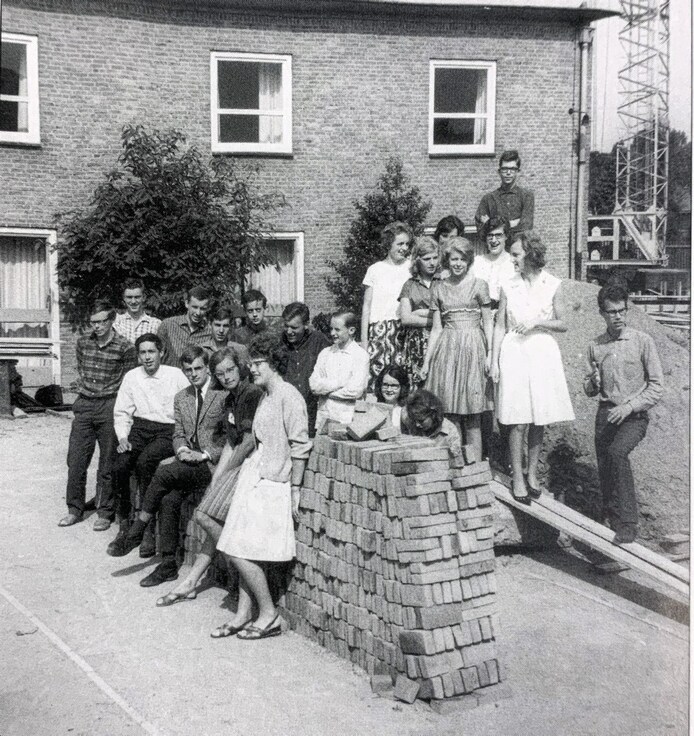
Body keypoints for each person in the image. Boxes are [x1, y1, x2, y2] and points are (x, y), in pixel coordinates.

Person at [212, 333, 311, 640]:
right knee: (242, 548)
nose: (252, 369)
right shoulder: (267, 394)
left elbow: (300, 445)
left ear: (274, 363)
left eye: (258, 363)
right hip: (255, 477)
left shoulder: (289, 396)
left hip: (272, 483)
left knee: (238, 550)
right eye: (251, 363)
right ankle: (243, 615)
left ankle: (269, 614)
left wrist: (295, 489)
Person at [106, 346, 227, 588]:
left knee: (163, 471)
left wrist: (204, 454)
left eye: (198, 368)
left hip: (214, 464)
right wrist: (181, 451)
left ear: (208, 369)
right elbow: (178, 433)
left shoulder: (223, 395)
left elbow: (229, 438)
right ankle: (169, 564)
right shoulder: (182, 397)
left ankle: (137, 529)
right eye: (188, 370)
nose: (193, 374)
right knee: (169, 499)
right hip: (189, 462)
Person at [156, 346, 263, 605]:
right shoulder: (230, 398)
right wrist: (217, 479)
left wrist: (227, 474)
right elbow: (230, 443)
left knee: (204, 515)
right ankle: (191, 582)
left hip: (254, 466)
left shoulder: (251, 394)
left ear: (240, 368)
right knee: (213, 518)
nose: (226, 377)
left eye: (230, 370)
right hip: (237, 464)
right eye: (220, 373)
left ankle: (239, 570)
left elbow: (248, 442)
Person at [490, 232, 574, 503]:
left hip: (541, 353)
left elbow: (563, 323)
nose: (512, 259)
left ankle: (532, 474)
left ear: (531, 254)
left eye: (516, 254)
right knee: (517, 419)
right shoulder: (507, 284)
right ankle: (517, 476)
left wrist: (537, 322)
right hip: (514, 352)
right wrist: (494, 360)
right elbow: (500, 325)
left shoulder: (553, 284)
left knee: (539, 417)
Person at [584, 282, 663, 545]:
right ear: (602, 313)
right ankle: (611, 521)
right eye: (612, 312)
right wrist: (592, 383)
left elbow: (656, 387)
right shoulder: (595, 346)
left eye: (622, 310)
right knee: (606, 466)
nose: (618, 316)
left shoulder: (643, 341)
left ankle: (628, 524)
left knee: (618, 453)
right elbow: (589, 390)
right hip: (606, 415)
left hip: (634, 416)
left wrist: (629, 407)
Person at [59, 301, 138, 530]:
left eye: (102, 321)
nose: (97, 326)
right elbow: (81, 370)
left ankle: (105, 511)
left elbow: (127, 382)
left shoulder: (125, 347)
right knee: (76, 461)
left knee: (107, 464)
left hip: (109, 405)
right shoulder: (83, 342)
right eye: (94, 322)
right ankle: (74, 509)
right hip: (85, 404)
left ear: (112, 320)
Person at [110, 333, 189, 556]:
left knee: (146, 463)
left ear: (161, 352)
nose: (147, 357)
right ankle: (124, 523)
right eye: (143, 352)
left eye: (151, 352)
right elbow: (122, 411)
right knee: (120, 465)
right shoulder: (132, 377)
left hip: (167, 430)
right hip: (139, 429)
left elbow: (188, 404)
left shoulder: (175, 375)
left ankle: (147, 530)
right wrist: (123, 438)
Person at [421, 238, 492, 462]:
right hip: (448, 350)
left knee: (473, 414)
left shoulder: (479, 285)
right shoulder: (439, 287)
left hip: (473, 348)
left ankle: (475, 467)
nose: (458, 264)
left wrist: (491, 354)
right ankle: (456, 464)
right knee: (450, 413)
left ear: (469, 260)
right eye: (454, 259)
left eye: (462, 259)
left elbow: (488, 322)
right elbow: (436, 329)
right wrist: (426, 362)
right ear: (447, 261)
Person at [360, 221, 412, 391]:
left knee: (400, 381)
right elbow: (366, 307)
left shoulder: (411, 268)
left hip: (402, 331)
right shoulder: (375, 270)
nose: (404, 248)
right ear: (389, 244)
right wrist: (364, 342)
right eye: (400, 244)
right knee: (377, 381)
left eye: (407, 244)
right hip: (379, 332)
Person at [309, 311, 370, 430]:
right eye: (331, 329)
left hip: (347, 419)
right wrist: (340, 383)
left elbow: (355, 391)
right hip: (324, 418)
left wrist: (325, 392)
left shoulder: (361, 356)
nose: (332, 333)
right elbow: (314, 385)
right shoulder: (325, 353)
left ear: (351, 330)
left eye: (337, 329)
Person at [280, 301, 331, 436]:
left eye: (294, 327)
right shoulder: (279, 342)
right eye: (286, 326)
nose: (289, 331)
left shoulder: (319, 341)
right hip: (287, 411)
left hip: (312, 410)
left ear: (306, 325)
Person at [398, 236, 441, 390]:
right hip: (415, 344)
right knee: (416, 389)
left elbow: (448, 315)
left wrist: (419, 312)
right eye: (427, 259)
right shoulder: (409, 285)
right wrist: (434, 319)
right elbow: (406, 318)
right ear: (417, 260)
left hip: (439, 340)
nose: (432, 263)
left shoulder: (444, 282)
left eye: (435, 258)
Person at [475, 150, 534, 238]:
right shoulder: (488, 199)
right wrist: (514, 223)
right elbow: (481, 231)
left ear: (518, 172)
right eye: (504, 169)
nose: (508, 173)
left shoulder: (526, 196)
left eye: (512, 169)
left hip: (518, 245)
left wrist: (492, 223)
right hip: (495, 245)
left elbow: (526, 227)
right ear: (499, 171)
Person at [157, 286, 213, 367]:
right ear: (187, 303)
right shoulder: (168, 325)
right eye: (195, 307)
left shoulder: (210, 331)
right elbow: (157, 355)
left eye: (202, 309)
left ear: (207, 308)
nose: (198, 313)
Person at [400, 389, 462, 457]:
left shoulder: (450, 431)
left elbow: (456, 458)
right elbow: (404, 413)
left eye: (421, 421)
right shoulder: (408, 418)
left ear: (433, 415)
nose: (417, 425)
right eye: (414, 420)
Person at [473, 217, 515, 310]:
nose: (493, 240)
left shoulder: (513, 263)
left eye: (498, 235)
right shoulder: (477, 262)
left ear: (506, 236)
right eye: (490, 235)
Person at [113, 279, 161, 343]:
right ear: (124, 298)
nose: (133, 301)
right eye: (129, 297)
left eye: (137, 297)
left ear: (144, 297)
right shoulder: (116, 322)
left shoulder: (155, 324)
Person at [374, 364, 409, 429]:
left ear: (402, 387)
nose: (389, 390)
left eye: (394, 386)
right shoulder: (374, 410)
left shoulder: (406, 413)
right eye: (385, 385)